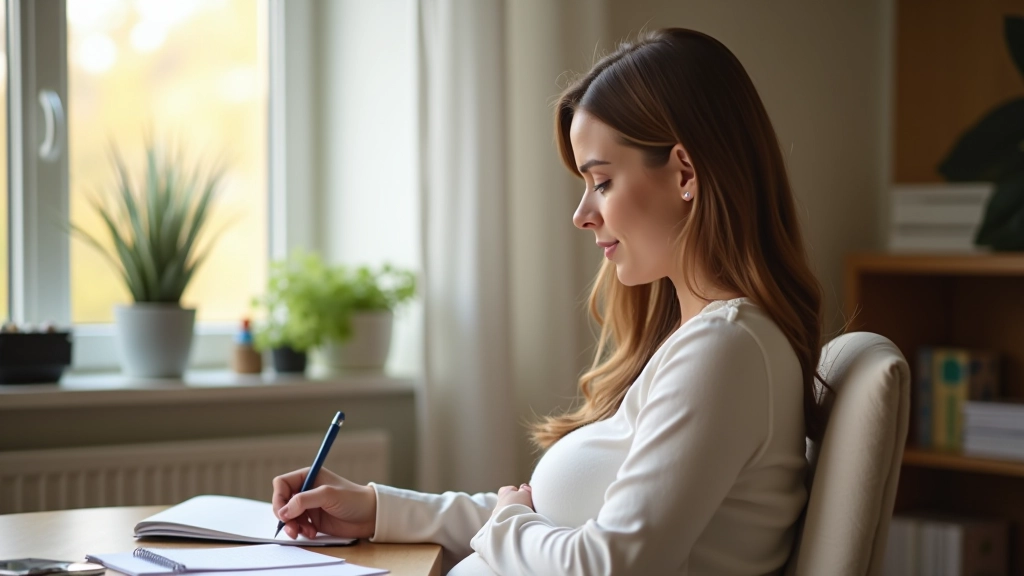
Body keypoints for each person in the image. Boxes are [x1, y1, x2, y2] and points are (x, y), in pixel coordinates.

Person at [272, 28, 831, 575]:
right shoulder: (701, 344)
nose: (582, 214)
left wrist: (507, 522)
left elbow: (611, 564)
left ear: (685, 172)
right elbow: (551, 523)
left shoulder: (725, 348)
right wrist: (376, 508)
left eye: (602, 182)